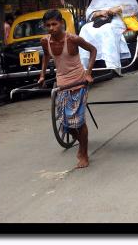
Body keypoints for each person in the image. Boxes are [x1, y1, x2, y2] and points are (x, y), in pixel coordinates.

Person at [38, 9, 97, 168]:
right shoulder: (45, 41)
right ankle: (83, 143)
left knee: (78, 122)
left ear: (61, 23)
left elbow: (93, 50)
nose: (51, 28)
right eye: (48, 25)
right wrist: (42, 75)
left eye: (54, 24)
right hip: (62, 84)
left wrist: (88, 73)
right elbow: (46, 57)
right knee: (66, 124)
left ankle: (83, 154)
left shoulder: (73, 39)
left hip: (78, 81)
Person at [79, 0, 138, 70]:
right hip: (99, 21)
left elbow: (135, 8)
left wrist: (119, 8)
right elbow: (89, 12)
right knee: (84, 29)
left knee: (107, 29)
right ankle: (83, 66)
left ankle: (112, 65)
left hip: (117, 20)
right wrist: (99, 13)